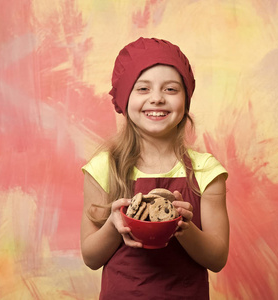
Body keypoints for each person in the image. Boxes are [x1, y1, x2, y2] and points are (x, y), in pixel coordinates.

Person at [80, 37, 229, 299]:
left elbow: (217, 258)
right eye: (143, 89)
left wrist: (184, 227)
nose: (157, 99)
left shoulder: (206, 171)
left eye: (171, 89)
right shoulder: (104, 167)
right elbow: (91, 257)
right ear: (125, 98)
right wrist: (114, 226)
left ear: (186, 100)